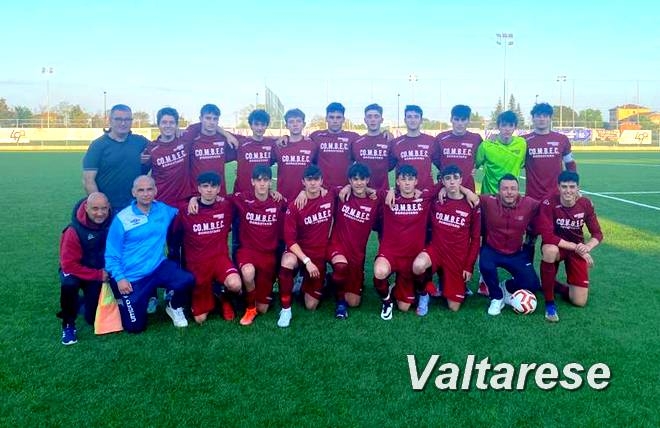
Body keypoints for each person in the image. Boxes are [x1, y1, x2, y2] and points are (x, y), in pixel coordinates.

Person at [105, 175, 194, 332]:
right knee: (135, 327)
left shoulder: (163, 210)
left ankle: (173, 306)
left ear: (155, 191)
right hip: (132, 277)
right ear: (133, 192)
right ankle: (127, 299)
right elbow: (111, 254)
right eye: (141, 190)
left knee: (186, 280)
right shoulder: (122, 219)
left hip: (157, 267)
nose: (145, 194)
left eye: (149, 189)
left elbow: (183, 211)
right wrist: (120, 278)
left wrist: (194, 200)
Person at [174, 172, 241, 324]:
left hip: (219, 259)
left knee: (235, 284)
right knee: (200, 319)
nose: (209, 190)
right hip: (197, 264)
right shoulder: (186, 210)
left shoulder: (226, 206)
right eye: (205, 186)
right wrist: (192, 199)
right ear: (199, 188)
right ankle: (214, 292)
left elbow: (249, 197)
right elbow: (175, 236)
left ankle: (224, 297)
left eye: (213, 186)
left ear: (219, 189)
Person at [412, 165, 480, 313]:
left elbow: (475, 239)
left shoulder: (471, 204)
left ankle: (448, 283)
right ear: (442, 181)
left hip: (456, 256)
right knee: (418, 266)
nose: (452, 182)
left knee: (453, 307)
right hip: (436, 250)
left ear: (461, 179)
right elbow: (421, 194)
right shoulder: (436, 201)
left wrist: (468, 266)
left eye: (456, 178)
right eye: (447, 179)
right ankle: (424, 293)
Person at [538, 171, 603, 322]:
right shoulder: (548, 203)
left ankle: (553, 285)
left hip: (576, 250)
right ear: (558, 187)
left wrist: (587, 247)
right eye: (564, 186)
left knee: (579, 302)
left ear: (578, 187)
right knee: (549, 250)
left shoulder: (585, 204)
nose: (568, 191)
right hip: (558, 246)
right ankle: (549, 302)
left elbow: (597, 234)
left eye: (572, 187)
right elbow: (548, 237)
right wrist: (576, 247)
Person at [277, 165, 334, 327]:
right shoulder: (295, 206)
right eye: (309, 180)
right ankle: (286, 310)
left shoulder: (330, 196)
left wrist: (390, 190)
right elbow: (290, 240)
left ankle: (317, 280)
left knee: (311, 306)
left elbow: (353, 187)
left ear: (322, 181)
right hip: (300, 253)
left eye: (316, 179)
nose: (313, 183)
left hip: (319, 254)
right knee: (287, 261)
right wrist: (306, 261)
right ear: (303, 182)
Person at [373, 165, 433, 320]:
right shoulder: (387, 197)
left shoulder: (425, 197)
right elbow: (364, 189)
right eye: (403, 179)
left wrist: (467, 192)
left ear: (416, 181)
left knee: (404, 307)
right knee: (379, 271)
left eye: (410, 179)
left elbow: (447, 186)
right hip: (391, 253)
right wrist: (391, 190)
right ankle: (387, 302)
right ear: (398, 181)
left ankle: (410, 289)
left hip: (412, 256)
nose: (407, 183)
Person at [232, 165, 287, 325]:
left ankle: (250, 295)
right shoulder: (243, 198)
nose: (262, 183)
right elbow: (216, 198)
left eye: (265, 180)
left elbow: (295, 207)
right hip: (248, 251)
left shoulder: (278, 201)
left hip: (268, 256)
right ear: (252, 182)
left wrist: (304, 192)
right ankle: (250, 308)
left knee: (262, 309)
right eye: (258, 180)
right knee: (248, 272)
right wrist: (194, 199)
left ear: (270, 182)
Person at [479, 174, 541, 316]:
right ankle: (496, 297)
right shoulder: (488, 201)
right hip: (492, 249)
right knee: (485, 265)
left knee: (532, 284)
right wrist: (444, 189)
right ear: (499, 190)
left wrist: (575, 198)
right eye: (505, 188)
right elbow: (468, 197)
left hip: (515, 253)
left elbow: (548, 206)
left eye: (513, 188)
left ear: (518, 190)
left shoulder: (529, 203)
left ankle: (506, 287)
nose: (509, 192)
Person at [522, 102, 577, 260]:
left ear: (550, 118)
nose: (542, 119)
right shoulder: (523, 141)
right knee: (530, 238)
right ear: (533, 118)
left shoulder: (561, 139)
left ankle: (549, 272)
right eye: (538, 115)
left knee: (554, 239)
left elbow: (570, 164)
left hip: (556, 198)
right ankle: (526, 271)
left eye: (545, 115)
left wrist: (574, 188)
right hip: (533, 199)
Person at [58, 192, 112, 345]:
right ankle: (68, 325)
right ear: (86, 207)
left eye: (104, 208)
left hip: (96, 272)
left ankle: (80, 303)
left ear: (108, 207)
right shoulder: (73, 230)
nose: (100, 213)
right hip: (76, 271)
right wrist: (98, 275)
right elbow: (68, 265)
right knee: (69, 285)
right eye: (95, 209)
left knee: (92, 318)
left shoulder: (113, 223)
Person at [328, 163, 380, 319]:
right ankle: (340, 304)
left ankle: (330, 279)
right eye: (355, 179)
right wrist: (302, 193)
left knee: (354, 302)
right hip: (337, 247)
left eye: (362, 179)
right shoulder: (341, 195)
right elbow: (319, 190)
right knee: (341, 266)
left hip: (357, 254)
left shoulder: (375, 200)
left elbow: (392, 193)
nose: (358, 183)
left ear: (367, 180)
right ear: (349, 180)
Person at [82, 104, 150, 212]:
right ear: (110, 120)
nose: (123, 123)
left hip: (135, 206)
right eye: (118, 119)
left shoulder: (140, 141)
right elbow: (88, 180)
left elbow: (162, 146)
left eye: (127, 119)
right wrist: (101, 206)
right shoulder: (98, 145)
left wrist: (176, 133)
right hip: (109, 208)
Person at [185, 104, 237, 197]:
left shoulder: (224, 138)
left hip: (219, 194)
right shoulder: (192, 137)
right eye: (208, 118)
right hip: (197, 195)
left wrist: (227, 135)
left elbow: (247, 142)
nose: (212, 122)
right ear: (201, 119)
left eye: (215, 119)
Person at [309, 102, 360, 192]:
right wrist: (286, 137)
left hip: (346, 189)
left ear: (343, 119)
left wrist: (385, 134)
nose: (335, 121)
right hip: (322, 189)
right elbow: (300, 142)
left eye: (338, 117)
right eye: (331, 117)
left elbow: (370, 141)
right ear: (326, 119)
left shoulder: (353, 137)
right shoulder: (316, 136)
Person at [145, 107, 190, 206]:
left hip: (184, 202)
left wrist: (225, 133)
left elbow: (203, 126)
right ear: (158, 124)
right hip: (161, 202)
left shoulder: (185, 140)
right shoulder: (151, 148)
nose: (168, 126)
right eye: (164, 122)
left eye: (171, 122)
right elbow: (142, 173)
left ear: (176, 125)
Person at [474, 110, 526, 195]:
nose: (507, 129)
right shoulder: (486, 146)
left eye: (511, 125)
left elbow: (522, 164)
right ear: (498, 126)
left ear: (515, 127)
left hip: (510, 195)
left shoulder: (522, 144)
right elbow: (474, 166)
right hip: (489, 195)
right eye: (504, 125)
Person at [272, 109, 319, 202]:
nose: (295, 124)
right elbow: (265, 164)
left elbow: (317, 169)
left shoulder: (311, 145)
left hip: (306, 196)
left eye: (298, 121)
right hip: (283, 197)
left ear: (304, 124)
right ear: (286, 125)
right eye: (291, 122)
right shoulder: (279, 145)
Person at [389, 105, 440, 192]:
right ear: (405, 120)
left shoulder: (431, 141)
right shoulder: (396, 143)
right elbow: (386, 167)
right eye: (409, 117)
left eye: (416, 117)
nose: (413, 120)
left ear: (421, 120)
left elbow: (442, 165)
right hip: (404, 194)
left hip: (426, 193)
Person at [433, 105, 483, 191]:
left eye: (463, 120)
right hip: (446, 188)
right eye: (456, 119)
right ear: (451, 119)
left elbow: (483, 156)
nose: (460, 123)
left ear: (468, 120)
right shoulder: (441, 138)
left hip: (467, 187)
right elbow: (436, 159)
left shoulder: (476, 138)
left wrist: (475, 167)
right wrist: (443, 170)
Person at [351, 104, 395, 191]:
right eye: (369, 116)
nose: (373, 119)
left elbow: (391, 166)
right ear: (365, 120)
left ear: (381, 120)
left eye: (376, 116)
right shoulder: (356, 142)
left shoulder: (389, 141)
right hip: (361, 192)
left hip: (383, 192)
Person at [233, 109, 275, 194]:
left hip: (262, 192)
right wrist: (227, 135)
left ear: (266, 126)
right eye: (256, 124)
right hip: (242, 192)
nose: (259, 128)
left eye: (263, 124)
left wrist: (285, 136)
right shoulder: (241, 142)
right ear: (251, 125)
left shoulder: (271, 144)